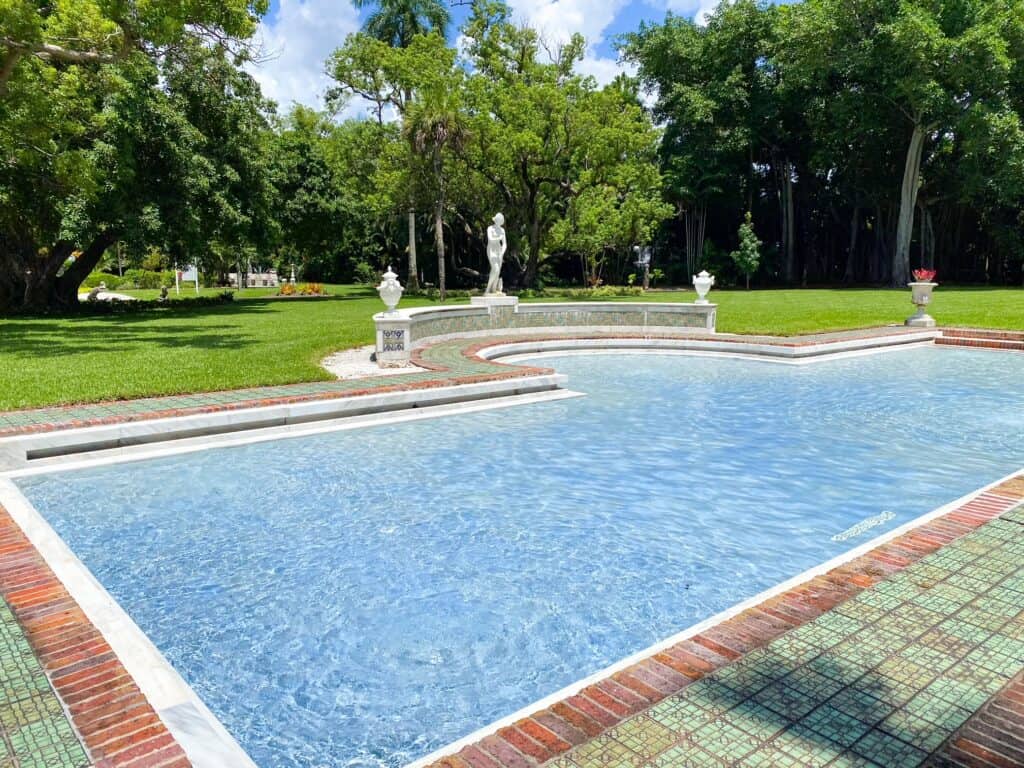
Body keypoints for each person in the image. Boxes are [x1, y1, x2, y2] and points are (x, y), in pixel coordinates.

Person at [485, 213, 507, 295]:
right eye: (498, 220)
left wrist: (502, 252)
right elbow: (490, 239)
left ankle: (493, 289)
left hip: (499, 251)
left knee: (497, 272)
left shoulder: (502, 230)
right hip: (491, 249)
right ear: (496, 220)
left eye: (501, 221)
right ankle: (487, 289)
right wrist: (499, 238)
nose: (500, 222)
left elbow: (504, 244)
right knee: (496, 269)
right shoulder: (490, 228)